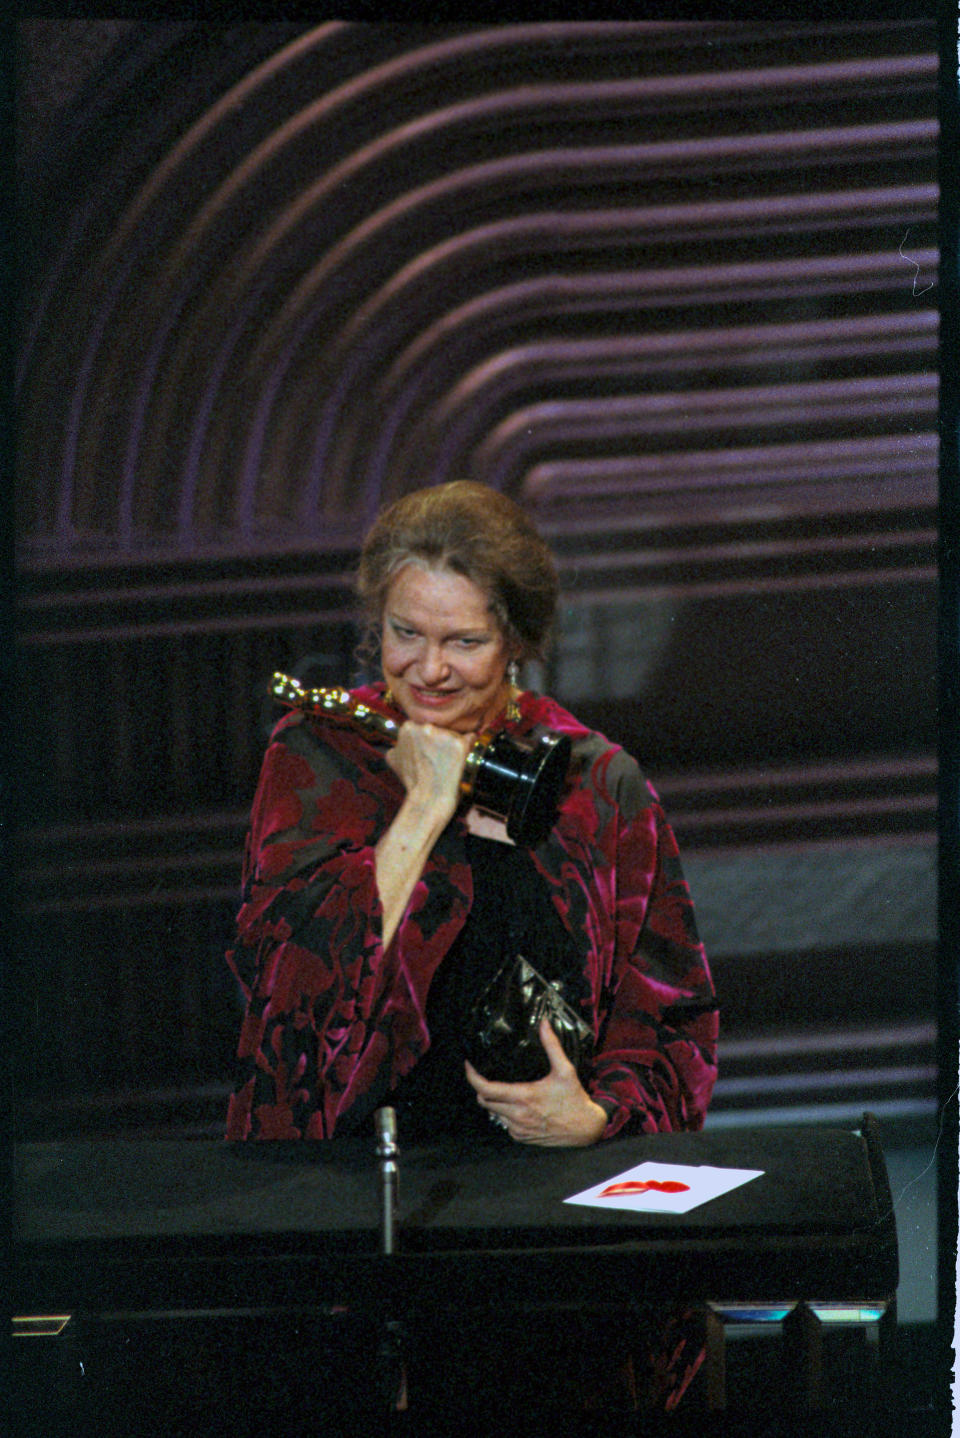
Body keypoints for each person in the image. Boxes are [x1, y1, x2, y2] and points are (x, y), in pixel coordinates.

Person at [224, 480, 718, 1413]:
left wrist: (601, 1118)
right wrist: (422, 808)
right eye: (406, 633)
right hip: (352, 1223)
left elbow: (675, 1016)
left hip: (553, 1227)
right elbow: (286, 987)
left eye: (465, 642)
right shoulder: (316, 753)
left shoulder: (599, 784)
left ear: (520, 643)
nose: (429, 670)